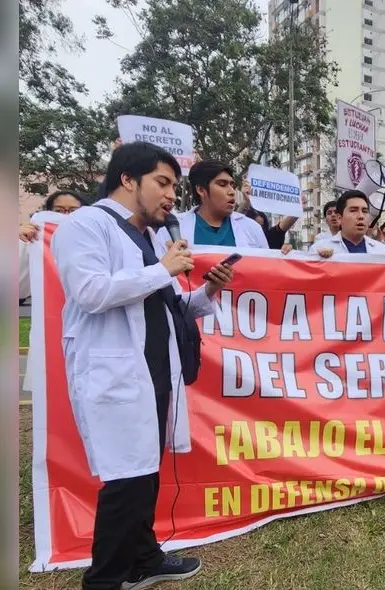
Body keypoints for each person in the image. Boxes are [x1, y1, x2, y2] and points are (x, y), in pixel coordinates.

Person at [51, 142, 236, 590]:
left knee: (144, 471)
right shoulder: (86, 226)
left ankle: (145, 558)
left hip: (153, 372)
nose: (172, 195)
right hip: (114, 373)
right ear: (128, 180)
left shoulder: (150, 238)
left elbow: (172, 308)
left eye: (174, 185)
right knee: (125, 479)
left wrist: (207, 292)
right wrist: (165, 269)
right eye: (163, 182)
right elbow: (91, 292)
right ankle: (105, 579)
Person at [158, 160, 267, 248]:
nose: (232, 191)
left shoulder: (252, 228)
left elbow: (265, 271)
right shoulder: (171, 230)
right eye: (222, 184)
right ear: (201, 190)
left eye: (232, 185)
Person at [19, 190, 87, 302]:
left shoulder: (95, 239)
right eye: (58, 211)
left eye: (73, 211)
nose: (65, 215)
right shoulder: (34, 238)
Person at [313, 190, 385, 262]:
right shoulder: (319, 249)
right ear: (340, 217)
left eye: (365, 211)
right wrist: (320, 262)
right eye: (353, 210)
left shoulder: (382, 251)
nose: (361, 216)